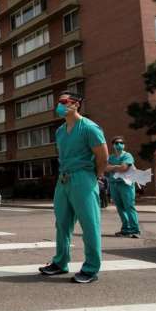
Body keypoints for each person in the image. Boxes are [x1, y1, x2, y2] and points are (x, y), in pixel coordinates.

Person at [39, 91, 108, 284]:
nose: (59, 105)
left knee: (89, 224)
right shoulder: (60, 131)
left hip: (84, 178)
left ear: (76, 104)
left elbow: (103, 156)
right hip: (63, 179)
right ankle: (60, 263)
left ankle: (91, 268)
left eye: (63, 102)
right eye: (58, 102)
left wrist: (96, 176)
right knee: (62, 223)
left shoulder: (89, 127)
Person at [106, 136, 141, 238]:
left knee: (129, 206)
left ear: (124, 145)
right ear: (113, 145)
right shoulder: (111, 157)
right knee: (120, 207)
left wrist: (113, 167)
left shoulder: (127, 155)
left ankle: (135, 230)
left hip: (126, 185)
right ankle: (126, 229)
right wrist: (117, 167)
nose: (119, 145)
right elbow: (105, 168)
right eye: (116, 143)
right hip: (114, 184)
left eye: (121, 143)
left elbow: (124, 168)